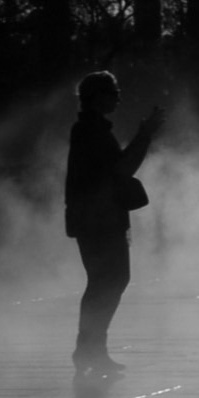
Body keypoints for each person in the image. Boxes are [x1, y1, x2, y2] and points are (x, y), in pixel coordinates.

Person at [63, 72, 160, 379]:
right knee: (108, 281)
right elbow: (122, 169)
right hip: (98, 219)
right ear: (97, 96)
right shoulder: (91, 131)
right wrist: (145, 135)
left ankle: (91, 349)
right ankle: (89, 348)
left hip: (97, 218)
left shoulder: (92, 129)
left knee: (106, 282)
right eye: (113, 93)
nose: (118, 98)